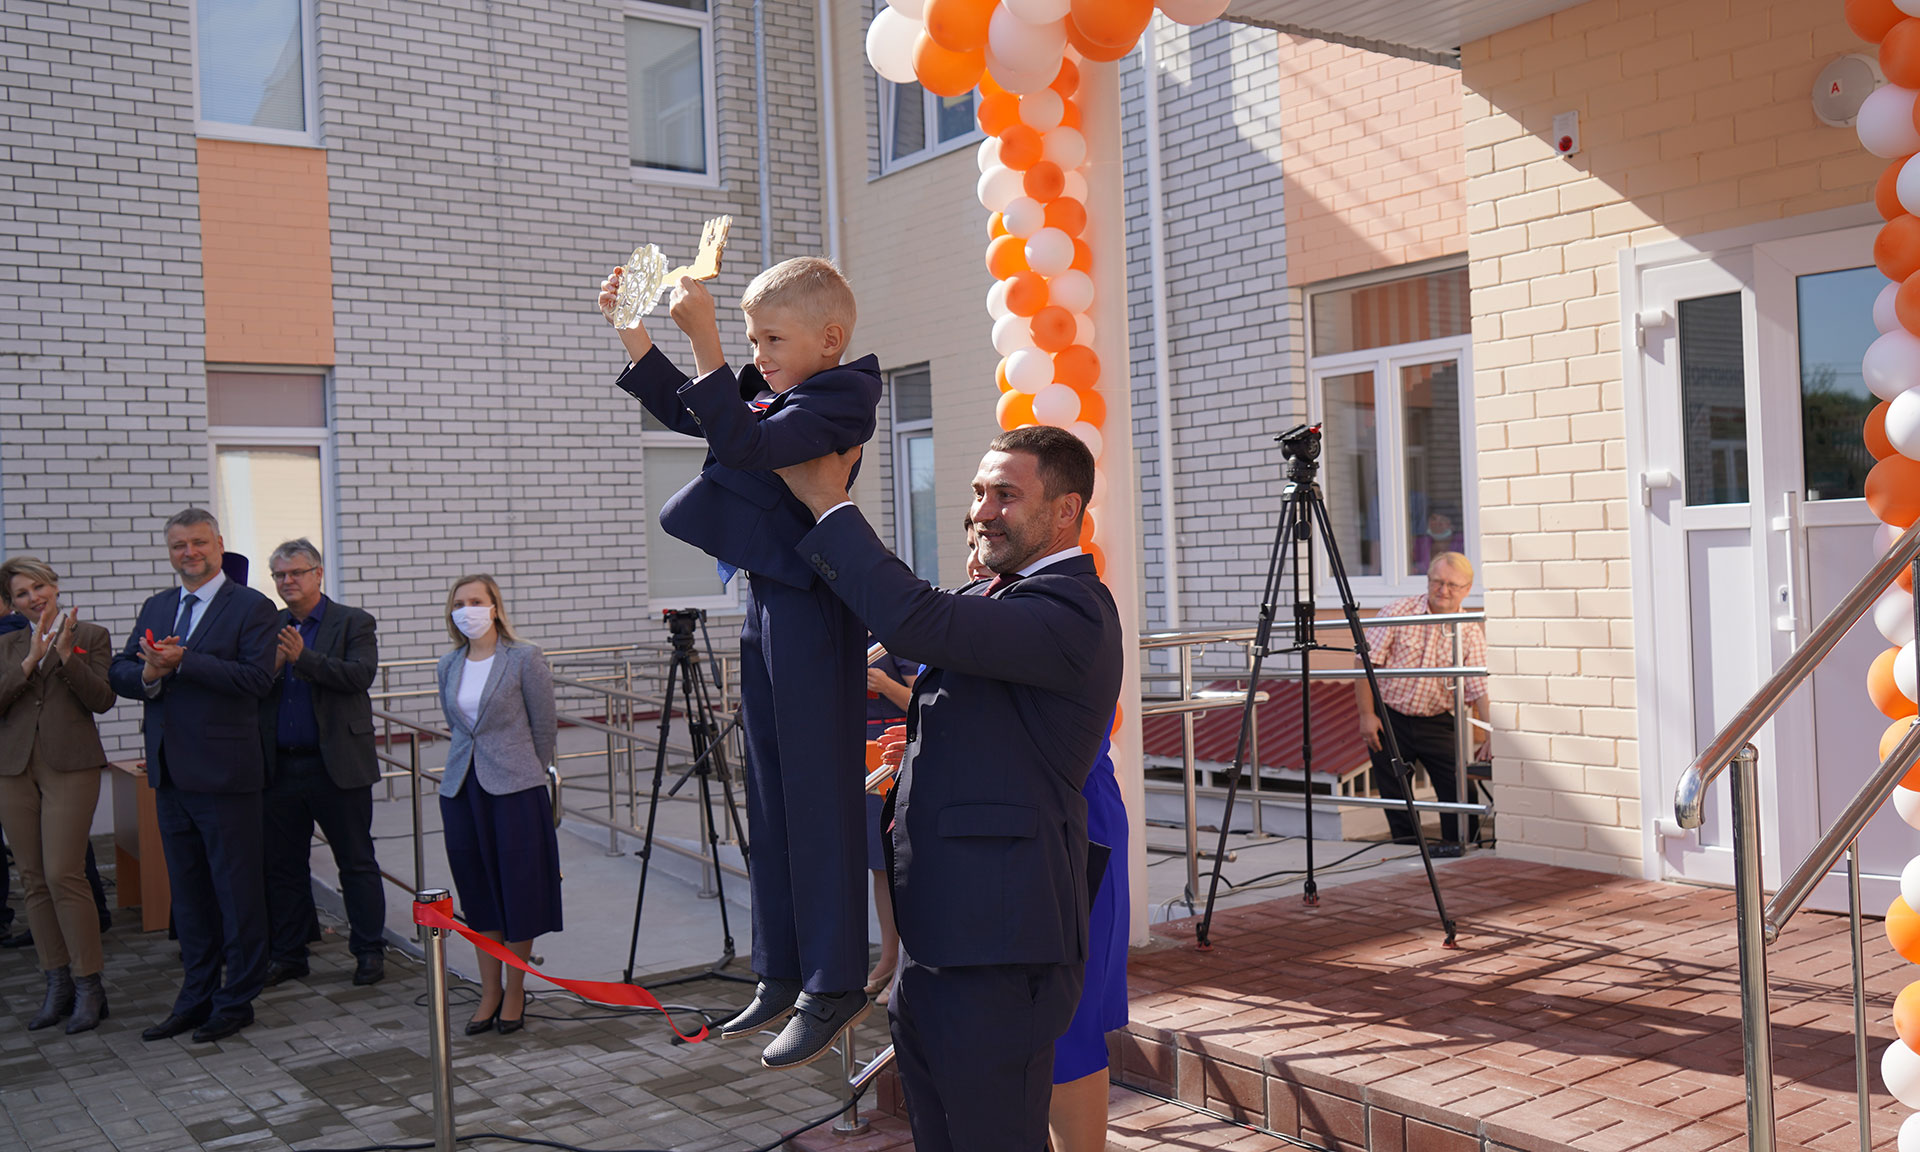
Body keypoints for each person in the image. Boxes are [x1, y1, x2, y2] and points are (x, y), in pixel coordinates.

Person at [776, 425, 1123, 1152]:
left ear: (1066, 511)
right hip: (940, 942)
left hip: (999, 952)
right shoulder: (1002, 594)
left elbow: (916, 620)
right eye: (978, 492)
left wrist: (828, 503)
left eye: (1006, 495)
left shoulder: (1072, 609)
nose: (982, 510)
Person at [596, 256, 883, 1069]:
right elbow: (697, 411)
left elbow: (745, 444)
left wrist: (708, 341)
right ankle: (782, 969)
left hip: (815, 604)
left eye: (772, 340)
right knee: (770, 795)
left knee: (819, 800)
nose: (758, 355)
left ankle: (833, 982)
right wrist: (632, 329)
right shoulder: (779, 389)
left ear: (830, 339)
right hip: (768, 599)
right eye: (752, 340)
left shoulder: (841, 395)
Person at [109, 508, 278, 1043]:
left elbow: (257, 680)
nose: (190, 553)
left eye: (199, 543)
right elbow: (119, 670)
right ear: (170, 552)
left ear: (219, 545)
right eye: (179, 545)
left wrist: (183, 662)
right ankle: (195, 996)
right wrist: (148, 673)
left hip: (226, 776)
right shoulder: (158, 605)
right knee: (188, 896)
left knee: (236, 894)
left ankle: (237, 1000)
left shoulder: (252, 606)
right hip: (170, 775)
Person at [434, 574, 561, 1036]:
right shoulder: (449, 664)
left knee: (519, 889)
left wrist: (526, 771)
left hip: (515, 790)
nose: (466, 610)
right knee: (477, 889)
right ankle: (489, 990)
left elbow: (544, 727)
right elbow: (457, 727)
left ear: (494, 607)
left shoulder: (524, 658)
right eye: (458, 603)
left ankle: (514, 990)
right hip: (461, 788)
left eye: (475, 601)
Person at [258, 539, 387, 988]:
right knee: (283, 866)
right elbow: (250, 686)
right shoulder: (268, 626)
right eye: (279, 575)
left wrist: (304, 659)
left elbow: (359, 676)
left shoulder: (352, 621)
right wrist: (273, 667)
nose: (287, 581)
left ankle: (369, 951)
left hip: (337, 765)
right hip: (280, 767)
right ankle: (289, 954)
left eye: (296, 572)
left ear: (318, 573)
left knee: (356, 862)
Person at [0, 556, 116, 1033]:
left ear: (54, 586)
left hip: (71, 765)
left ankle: (89, 985)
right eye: (21, 594)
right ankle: (58, 983)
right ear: (12, 604)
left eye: (38, 587)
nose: (33, 598)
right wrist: (29, 660)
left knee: (63, 873)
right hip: (12, 768)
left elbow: (102, 699)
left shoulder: (91, 635)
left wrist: (66, 656)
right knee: (31, 878)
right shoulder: (7, 645)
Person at [1357, 551, 1489, 851]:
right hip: (1390, 716)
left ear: (1467, 589)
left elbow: (1479, 687)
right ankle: (1408, 855)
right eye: (1437, 581)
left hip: (1437, 720)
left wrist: (1491, 734)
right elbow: (1364, 664)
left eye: (1453, 585)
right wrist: (1366, 714)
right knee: (1396, 794)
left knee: (1460, 790)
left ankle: (1463, 852)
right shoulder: (1398, 611)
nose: (1444, 590)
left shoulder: (1469, 630)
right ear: (1428, 580)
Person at [862, 642, 915, 1000]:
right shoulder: (849, 635)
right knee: (879, 866)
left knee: (902, 863)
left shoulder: (895, 639)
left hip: (895, 750)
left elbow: (922, 702)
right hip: (861, 752)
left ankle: (905, 966)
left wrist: (885, 685)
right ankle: (889, 957)